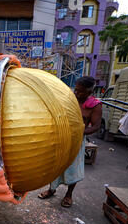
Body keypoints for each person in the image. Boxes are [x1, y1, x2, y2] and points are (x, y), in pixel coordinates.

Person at [38, 76, 102, 208]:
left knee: (73, 168)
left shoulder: (94, 106)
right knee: (55, 165)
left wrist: (80, 132)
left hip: (77, 140)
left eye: (81, 91)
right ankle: (51, 189)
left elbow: (96, 126)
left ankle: (69, 195)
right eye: (76, 90)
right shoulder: (69, 99)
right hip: (61, 137)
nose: (77, 93)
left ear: (89, 92)